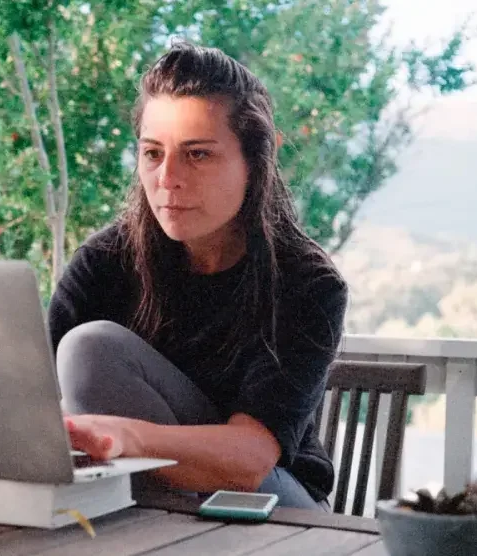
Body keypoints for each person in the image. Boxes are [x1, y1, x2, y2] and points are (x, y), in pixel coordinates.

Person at [47, 42, 348, 511]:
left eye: (198, 155)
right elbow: (31, 406)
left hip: (274, 508)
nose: (168, 178)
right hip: (139, 505)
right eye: (152, 153)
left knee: (91, 350)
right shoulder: (105, 260)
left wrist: (127, 437)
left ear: (256, 162)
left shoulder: (306, 283)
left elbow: (249, 461)